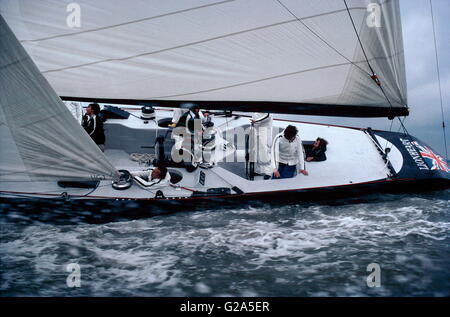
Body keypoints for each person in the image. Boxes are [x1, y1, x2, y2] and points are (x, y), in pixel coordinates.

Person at [250, 112, 273, 179]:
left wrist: (256, 121)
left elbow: (267, 115)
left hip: (264, 131)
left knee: (265, 152)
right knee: (256, 151)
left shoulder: (267, 109)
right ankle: (258, 171)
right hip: (256, 130)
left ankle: (268, 172)